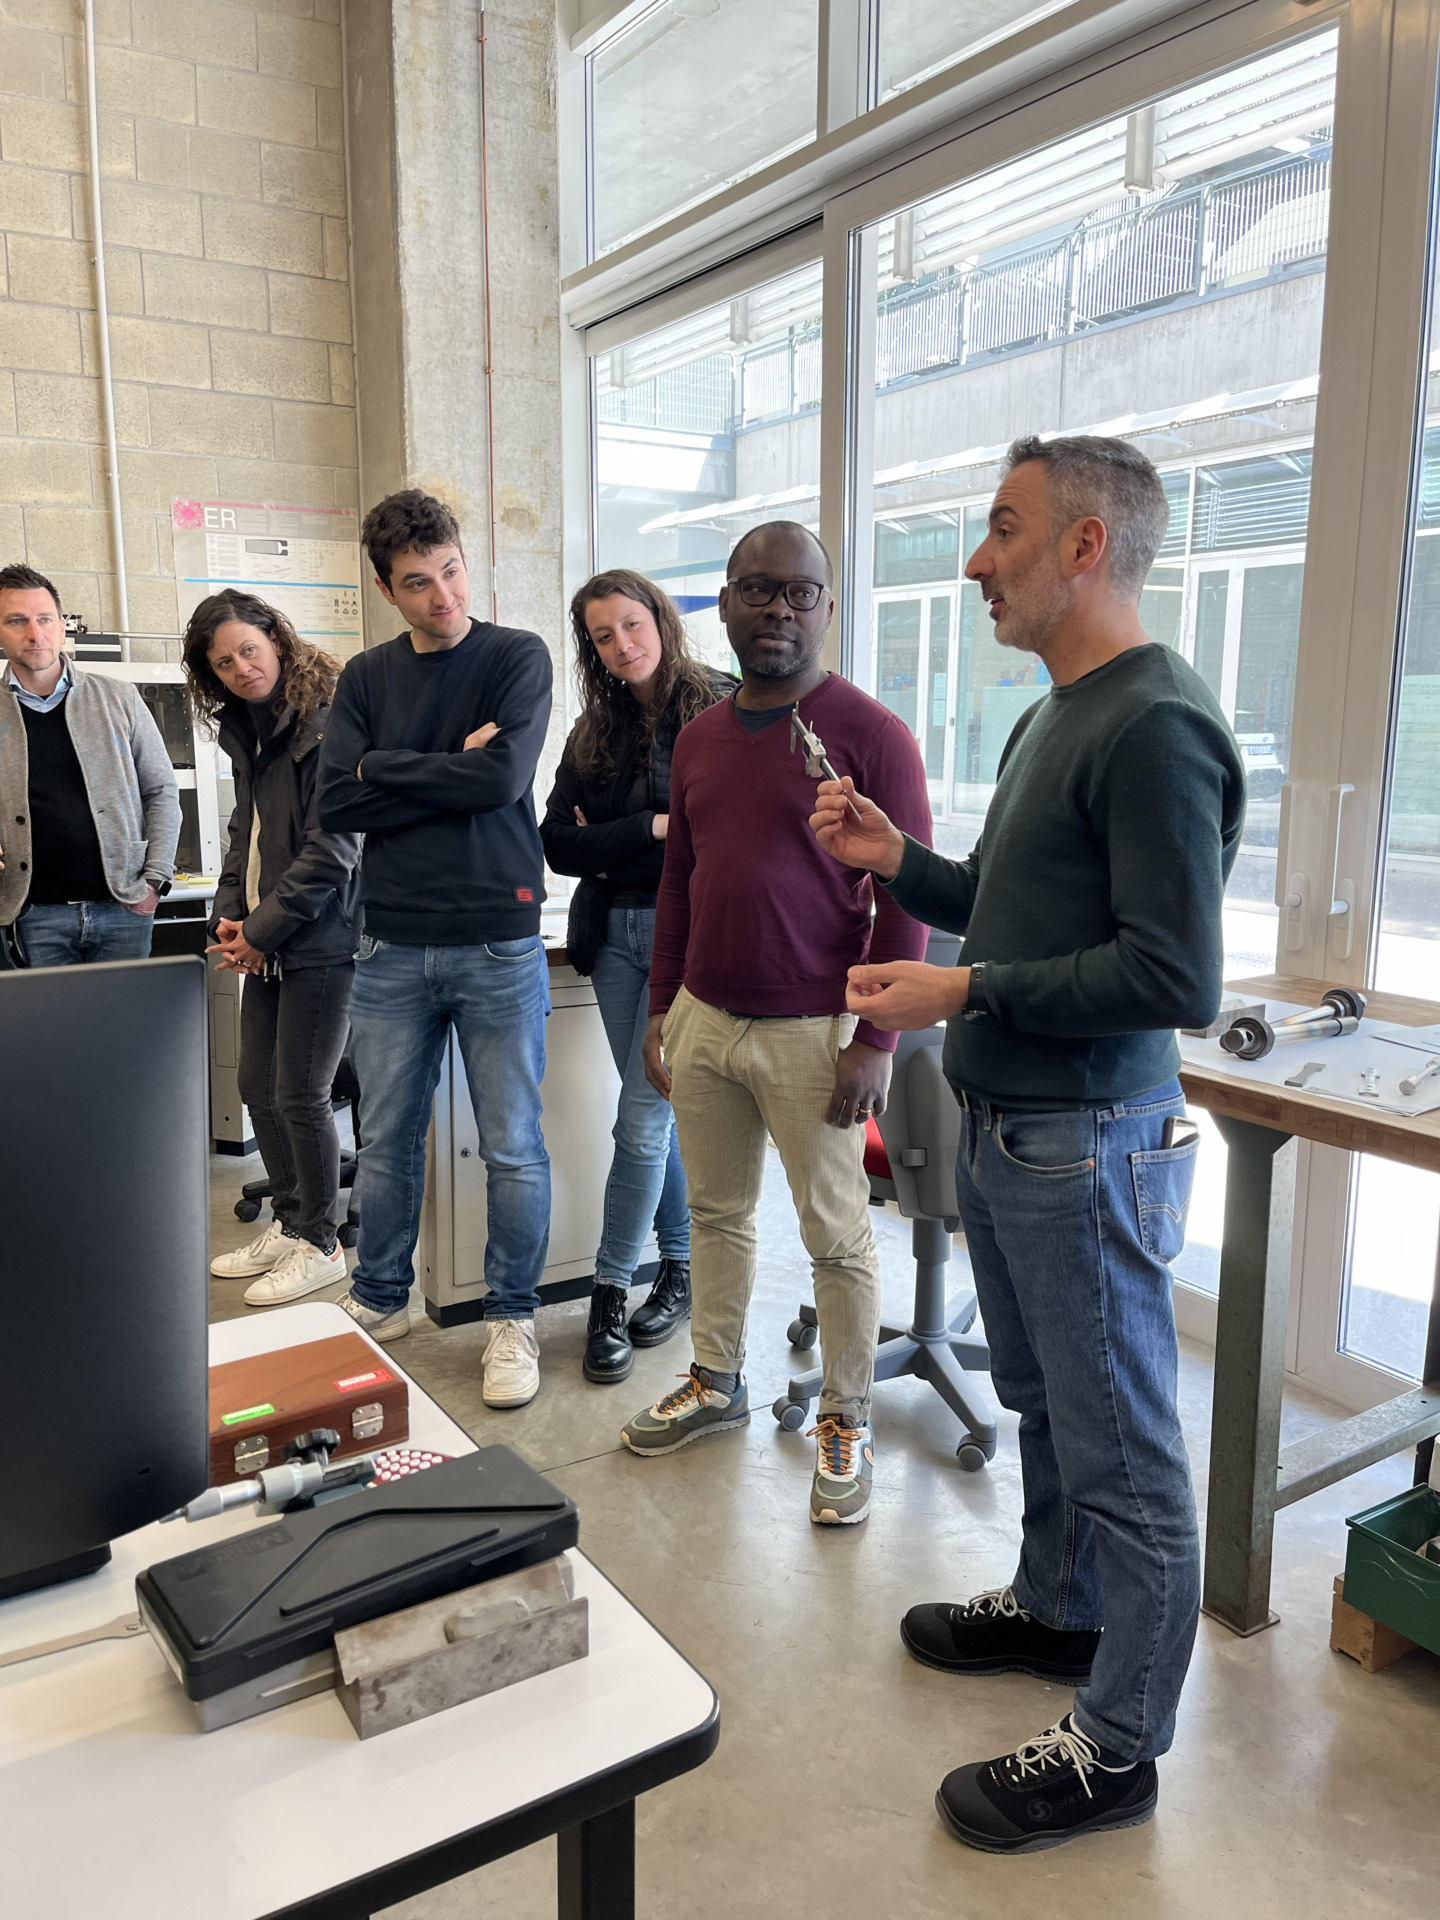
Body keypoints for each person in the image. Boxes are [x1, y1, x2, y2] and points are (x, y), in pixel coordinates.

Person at [810, 435, 1246, 1852]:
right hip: (1016, 1131)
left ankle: (1120, 1745)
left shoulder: (1156, 726)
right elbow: (1005, 900)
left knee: (1124, 1452)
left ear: (1084, 545)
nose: (974, 561)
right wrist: (898, 861)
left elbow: (1173, 976)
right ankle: (1060, 1608)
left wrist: (965, 993)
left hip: (1091, 1140)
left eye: (1003, 528)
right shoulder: (1056, 715)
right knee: (1053, 1410)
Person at [618, 520, 932, 1528]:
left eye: (801, 593)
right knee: (716, 1216)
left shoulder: (874, 735)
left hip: (816, 1033)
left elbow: (910, 899)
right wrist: (663, 1007)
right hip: (707, 1021)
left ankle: (846, 1418)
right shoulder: (701, 738)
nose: (779, 610)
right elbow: (680, 878)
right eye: (758, 590)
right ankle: (716, 1381)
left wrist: (876, 1040)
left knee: (836, 1236)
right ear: (724, 603)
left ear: (827, 608)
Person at [316, 490, 554, 1408]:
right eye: (418, 583)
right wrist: (449, 764)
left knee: (512, 1147)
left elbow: (503, 777)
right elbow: (338, 801)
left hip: (498, 938)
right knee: (385, 1141)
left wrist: (383, 764)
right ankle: (382, 1297)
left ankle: (512, 1318)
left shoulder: (515, 656)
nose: (443, 596)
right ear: (387, 590)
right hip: (389, 942)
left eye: (451, 571)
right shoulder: (365, 677)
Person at [541, 570, 733, 1385]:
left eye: (632, 624)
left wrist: (614, 838)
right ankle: (681, 1270)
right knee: (653, 1111)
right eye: (603, 636)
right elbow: (556, 842)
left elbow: (719, 838)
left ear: (660, 618)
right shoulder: (596, 729)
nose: (622, 644)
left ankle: (609, 1293)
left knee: (640, 1121)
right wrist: (651, 826)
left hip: (683, 937)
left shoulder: (719, 708)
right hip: (612, 935)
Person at [182, 590, 362, 1307]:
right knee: (257, 1086)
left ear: (277, 641)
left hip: (323, 935)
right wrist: (230, 918)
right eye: (223, 663)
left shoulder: (327, 718)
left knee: (301, 1093)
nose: (241, 668)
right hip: (267, 936)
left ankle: (322, 1240)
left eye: (248, 651)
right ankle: (292, 1223)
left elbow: (333, 849)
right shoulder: (249, 728)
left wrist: (258, 933)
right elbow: (245, 834)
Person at [0, 563, 179, 964]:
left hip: (124, 908)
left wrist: (155, 880)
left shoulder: (120, 698)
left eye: (45, 619)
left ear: (62, 626)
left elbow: (161, 792)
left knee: (126, 1009)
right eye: (16, 621)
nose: (35, 633)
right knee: (48, 1010)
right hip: (32, 915)